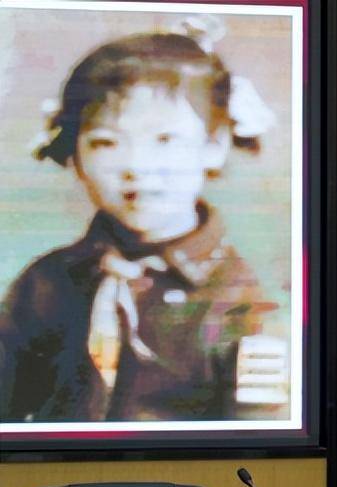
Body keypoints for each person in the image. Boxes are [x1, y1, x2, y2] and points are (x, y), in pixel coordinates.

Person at [0, 23, 287, 424]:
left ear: (214, 145)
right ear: (75, 156)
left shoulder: (244, 300)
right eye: (106, 142)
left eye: (165, 139)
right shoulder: (47, 282)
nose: (136, 165)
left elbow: (258, 435)